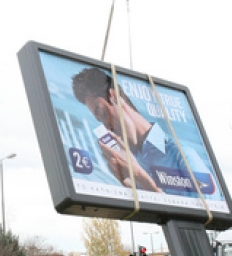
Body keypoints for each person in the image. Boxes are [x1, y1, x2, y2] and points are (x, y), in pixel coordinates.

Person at [71, 67, 209, 195]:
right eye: (99, 121)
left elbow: (207, 213)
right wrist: (128, 185)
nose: (108, 128)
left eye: (101, 113)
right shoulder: (130, 163)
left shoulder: (183, 155)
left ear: (113, 96)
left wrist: (140, 176)